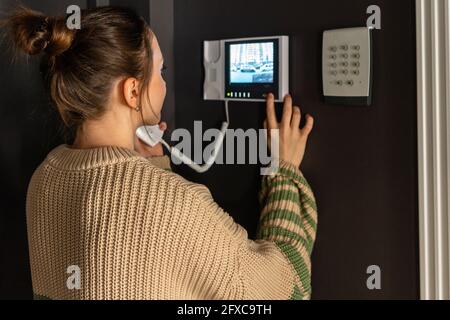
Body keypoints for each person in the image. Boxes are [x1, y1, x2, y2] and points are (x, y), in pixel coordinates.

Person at [4, 5, 317, 300]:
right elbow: (285, 286)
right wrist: (283, 169)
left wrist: (152, 166)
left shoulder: (44, 180)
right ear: (133, 91)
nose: (164, 84)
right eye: (161, 71)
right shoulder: (175, 203)